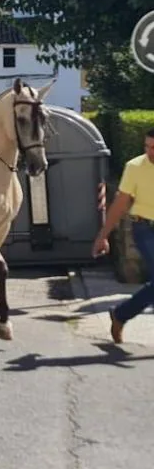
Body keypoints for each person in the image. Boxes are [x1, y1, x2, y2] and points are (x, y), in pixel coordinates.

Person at [94, 129, 154, 344]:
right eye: (146, 147)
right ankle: (121, 315)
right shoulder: (135, 167)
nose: (149, 152)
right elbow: (120, 204)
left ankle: (120, 314)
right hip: (145, 228)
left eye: (153, 148)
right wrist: (103, 235)